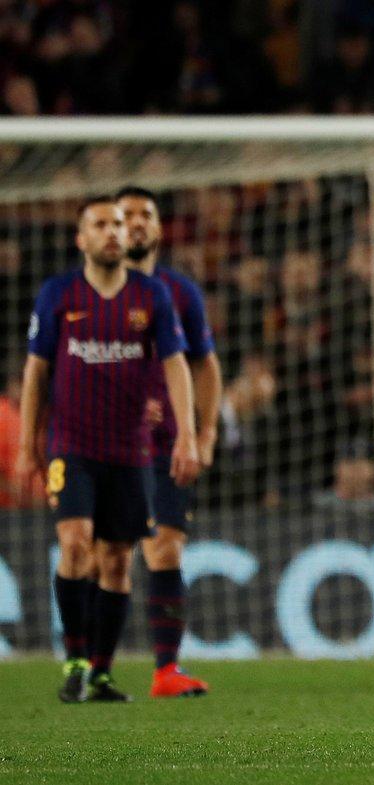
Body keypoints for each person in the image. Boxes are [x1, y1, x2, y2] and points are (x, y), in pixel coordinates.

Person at [15, 197, 200, 703]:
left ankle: (100, 672)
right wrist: (28, 442)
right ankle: (74, 658)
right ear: (82, 239)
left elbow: (177, 365)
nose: (114, 232)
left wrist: (186, 433)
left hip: (131, 452)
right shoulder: (59, 294)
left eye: (118, 224)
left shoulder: (152, 296)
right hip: (71, 447)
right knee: (75, 542)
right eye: (101, 224)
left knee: (117, 561)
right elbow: (36, 371)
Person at [117, 186, 222, 697]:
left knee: (166, 549)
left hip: (165, 447)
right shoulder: (81, 295)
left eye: (146, 215)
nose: (136, 223)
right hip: (104, 445)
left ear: (159, 228)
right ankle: (89, 666)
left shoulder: (180, 292)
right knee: (99, 557)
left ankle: (166, 670)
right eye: (126, 215)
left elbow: (204, 363)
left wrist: (204, 431)